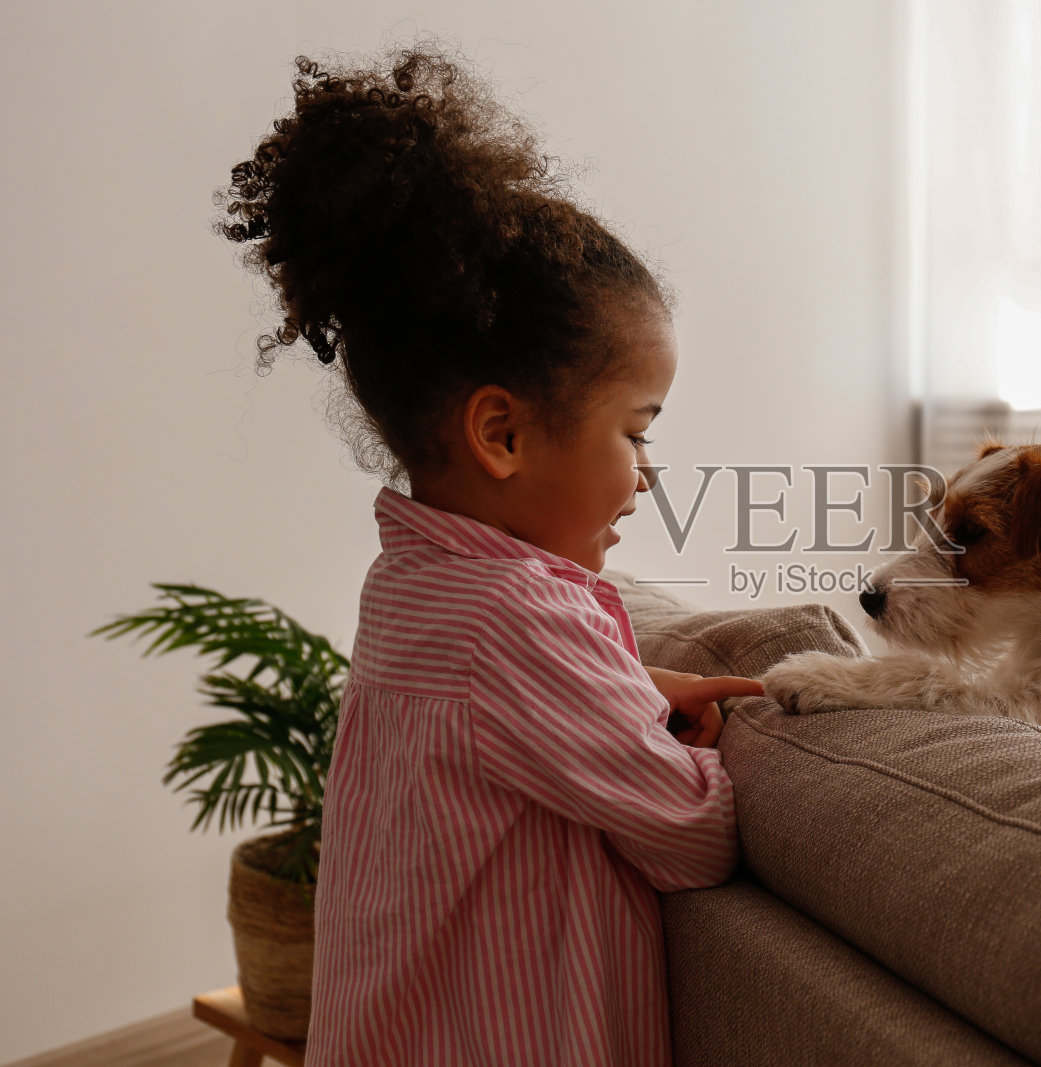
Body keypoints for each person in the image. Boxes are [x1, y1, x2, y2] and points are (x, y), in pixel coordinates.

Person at [218, 44, 760, 1065]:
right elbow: (694, 835)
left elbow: (485, 734)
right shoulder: (520, 614)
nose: (647, 473)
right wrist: (695, 737)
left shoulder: (411, 584)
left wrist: (628, 684)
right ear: (501, 434)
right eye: (636, 431)